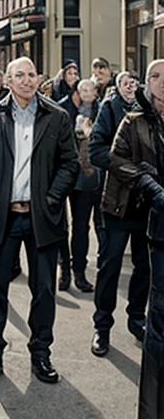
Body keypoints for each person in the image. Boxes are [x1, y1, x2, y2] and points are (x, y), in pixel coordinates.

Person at [0, 57, 79, 385]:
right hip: (2, 217)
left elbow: (69, 164)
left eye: (32, 74)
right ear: (8, 81)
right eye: (20, 75)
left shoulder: (56, 117)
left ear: (38, 78)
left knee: (43, 290)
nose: (26, 80)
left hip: (41, 218)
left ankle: (41, 354)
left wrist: (51, 199)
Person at [90, 69, 149, 356]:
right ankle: (102, 327)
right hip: (116, 203)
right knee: (110, 265)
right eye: (126, 82)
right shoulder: (109, 108)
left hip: (146, 206)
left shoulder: (149, 110)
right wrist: (133, 173)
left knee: (144, 267)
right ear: (117, 85)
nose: (131, 86)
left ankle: (137, 319)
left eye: (135, 83)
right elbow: (96, 151)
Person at [120, 61, 164, 417]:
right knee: (159, 324)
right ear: (146, 83)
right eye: (155, 76)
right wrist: (149, 183)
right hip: (159, 230)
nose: (163, 83)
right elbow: (116, 159)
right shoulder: (135, 120)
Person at [56, 78, 100, 292]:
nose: (86, 93)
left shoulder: (102, 110)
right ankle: (67, 270)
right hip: (69, 175)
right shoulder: (65, 108)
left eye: (90, 89)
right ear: (76, 92)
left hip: (92, 177)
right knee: (67, 226)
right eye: (83, 89)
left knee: (86, 227)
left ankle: (81, 272)